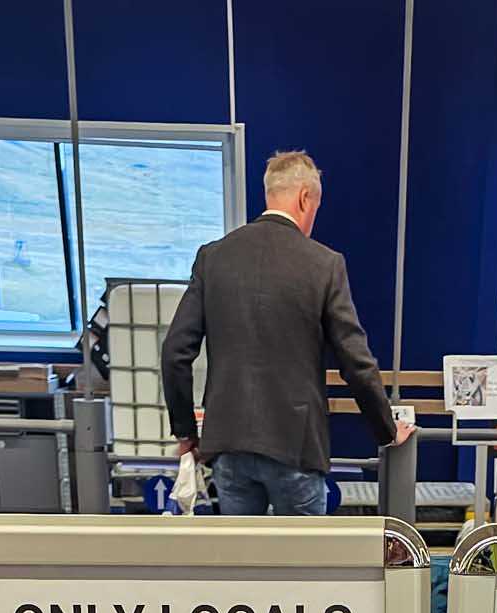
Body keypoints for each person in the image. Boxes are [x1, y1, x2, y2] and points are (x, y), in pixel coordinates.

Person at [161, 150, 415, 516]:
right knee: (304, 567)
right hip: (294, 445)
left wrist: (186, 432)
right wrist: (387, 430)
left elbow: (175, 353)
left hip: (228, 444)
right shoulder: (324, 264)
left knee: (243, 565)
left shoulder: (213, 257)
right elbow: (355, 362)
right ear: (304, 198)